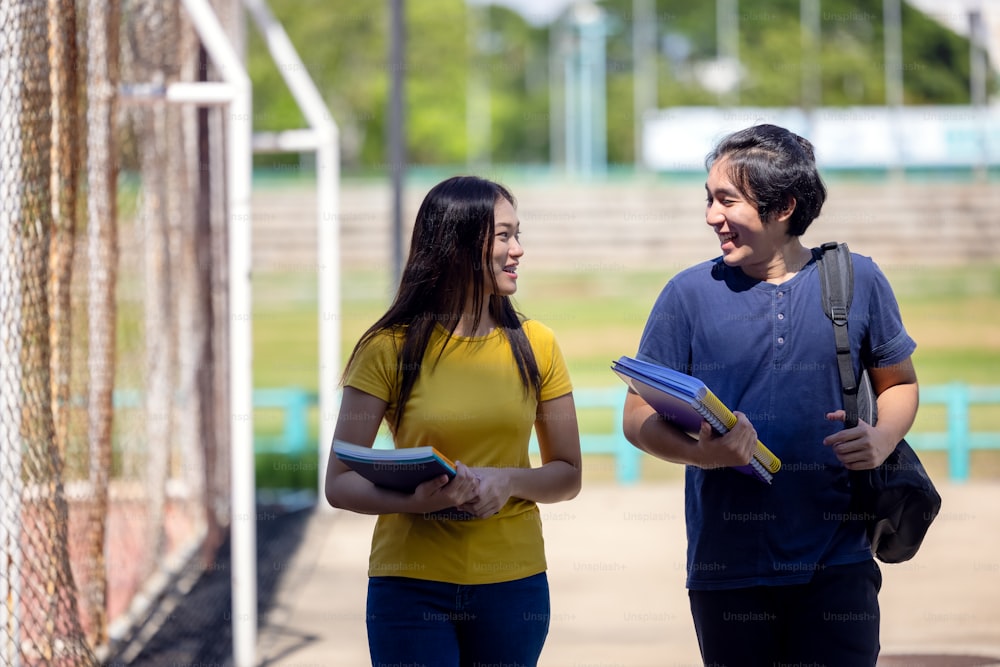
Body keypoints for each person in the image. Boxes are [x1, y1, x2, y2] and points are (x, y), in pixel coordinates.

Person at [622, 124, 918, 666]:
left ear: (782, 205)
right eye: (709, 199)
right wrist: (703, 453)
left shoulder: (859, 279)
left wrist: (882, 438)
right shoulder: (686, 294)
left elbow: (899, 384)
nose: (712, 215)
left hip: (839, 564)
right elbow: (637, 416)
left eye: (726, 200)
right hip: (726, 570)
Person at [325, 175, 582, 666]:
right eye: (504, 236)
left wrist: (506, 481)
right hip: (409, 589)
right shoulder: (387, 349)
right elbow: (339, 483)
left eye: (517, 234)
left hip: (513, 587)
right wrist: (418, 502)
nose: (518, 250)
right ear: (457, 245)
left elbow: (568, 474)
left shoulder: (540, 344)